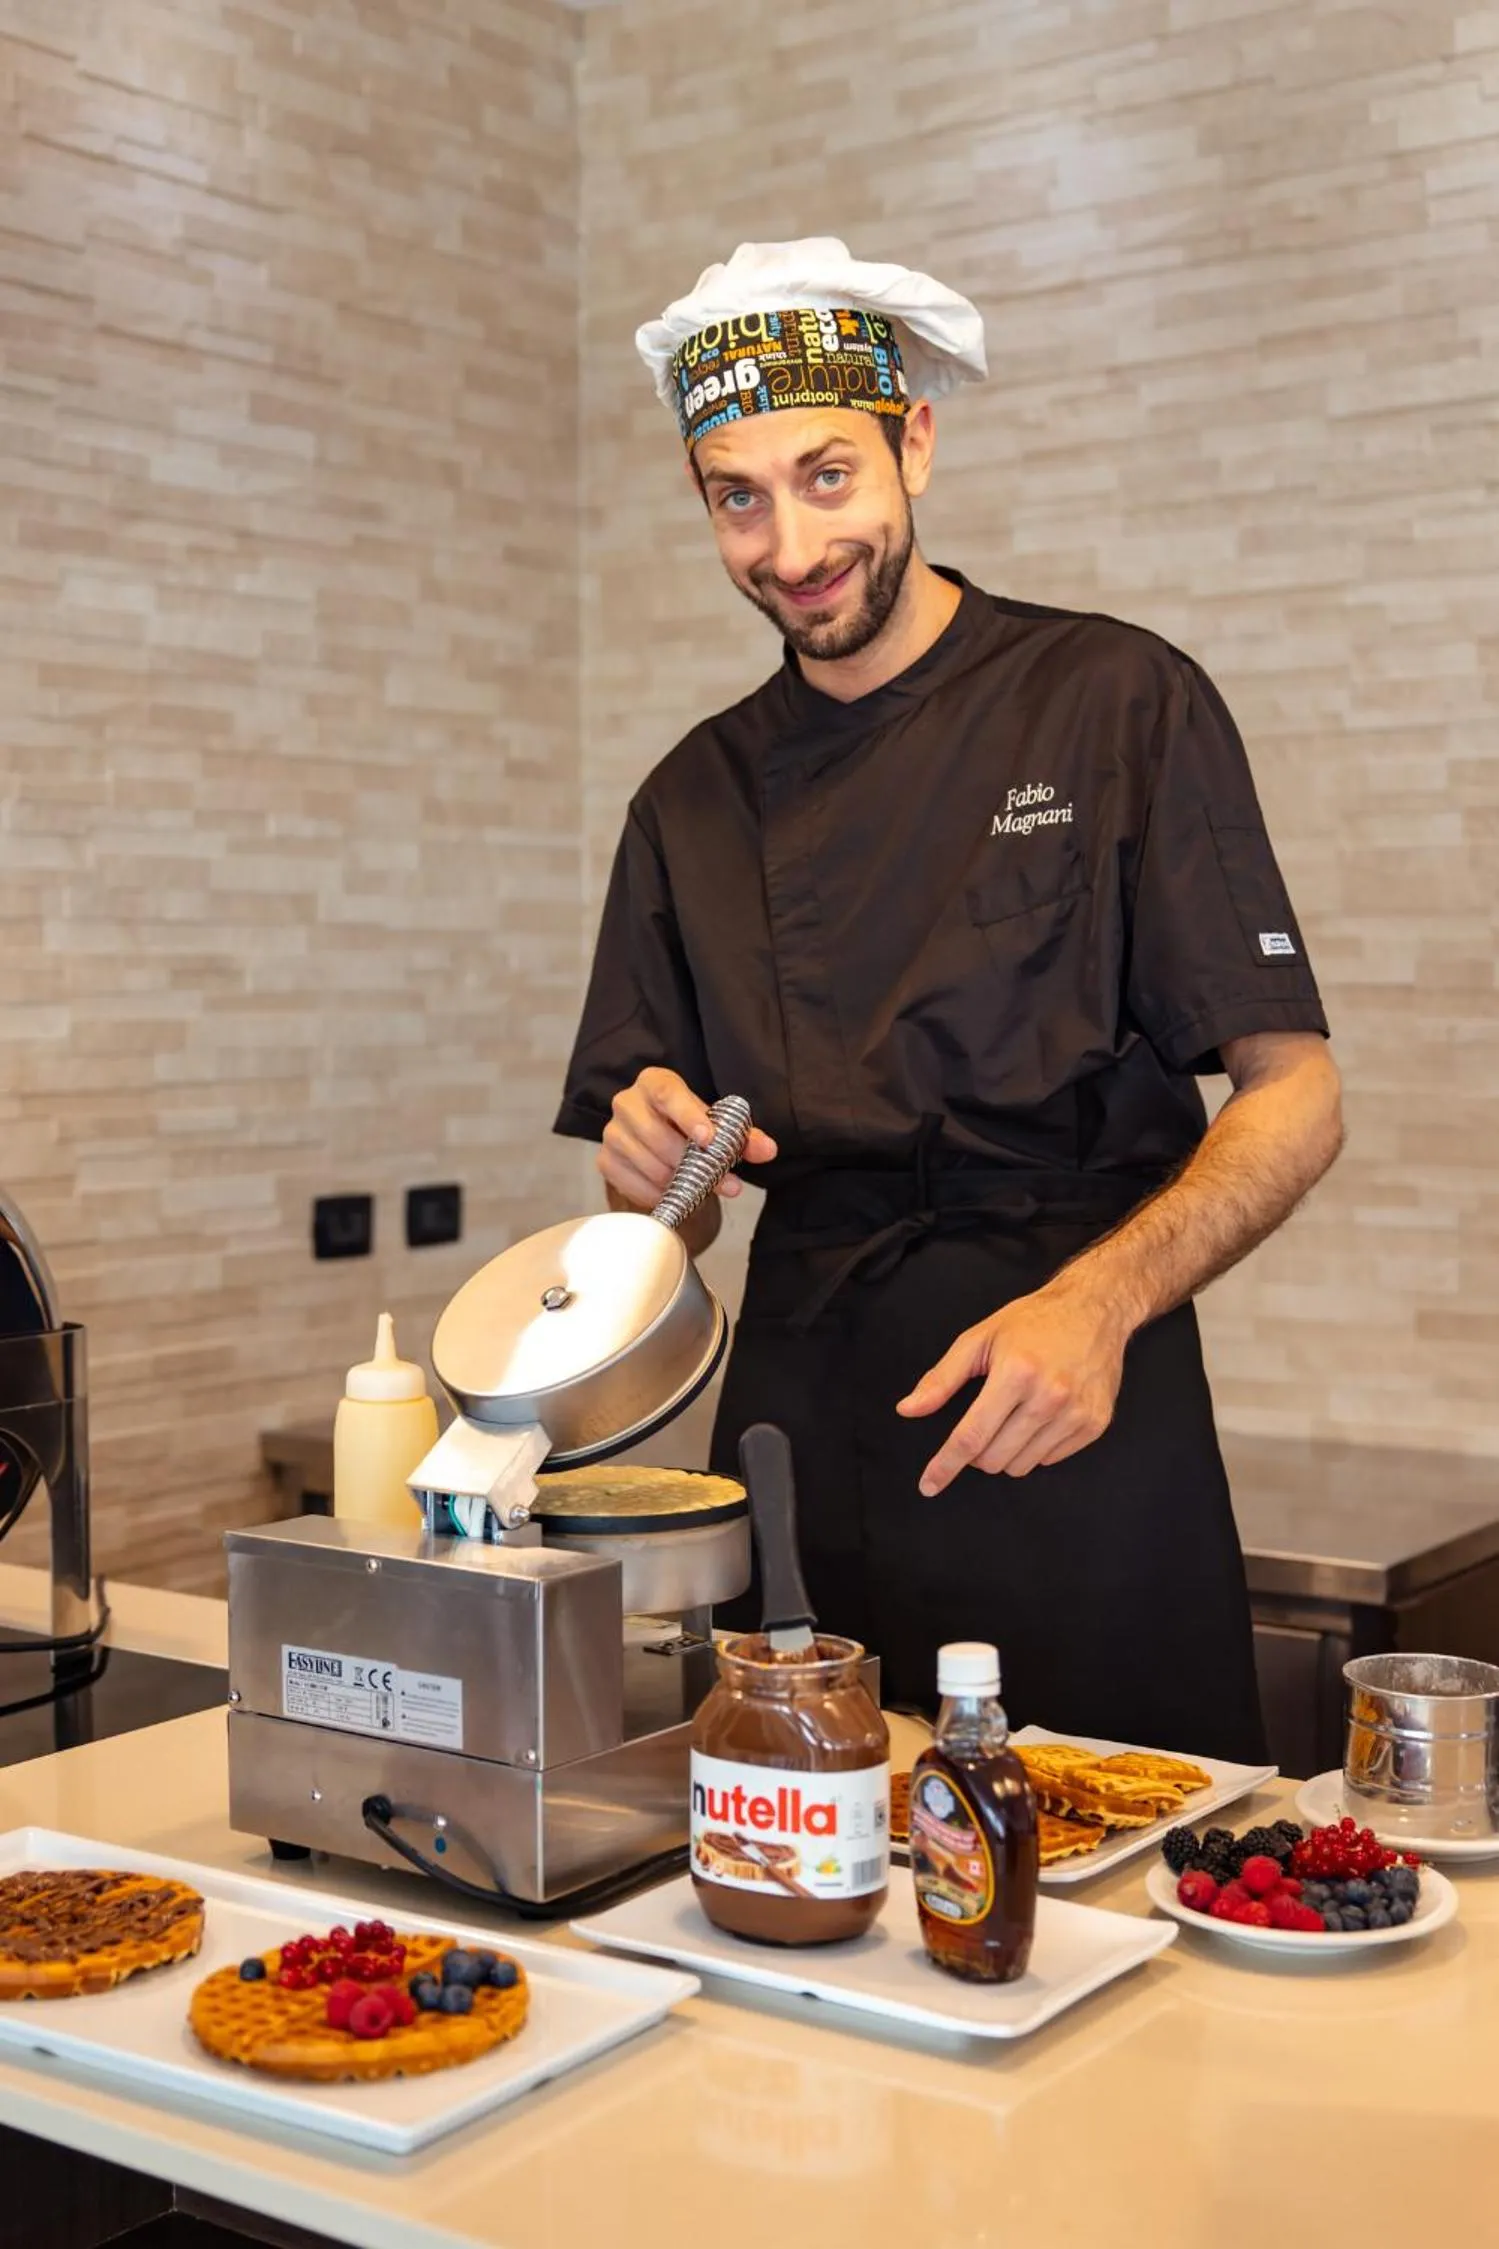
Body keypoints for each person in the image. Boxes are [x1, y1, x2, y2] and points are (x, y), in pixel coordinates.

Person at [554, 239, 1342, 1758]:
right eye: (737, 498)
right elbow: (681, 1211)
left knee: (1124, 1834)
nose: (790, 546)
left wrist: (1097, 1305)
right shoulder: (690, 799)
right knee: (795, 1839)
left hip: (1070, 1398)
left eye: (826, 476)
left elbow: (1296, 1092)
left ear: (913, 442)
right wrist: (650, 1180)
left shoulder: (1111, 700)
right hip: (796, 1428)